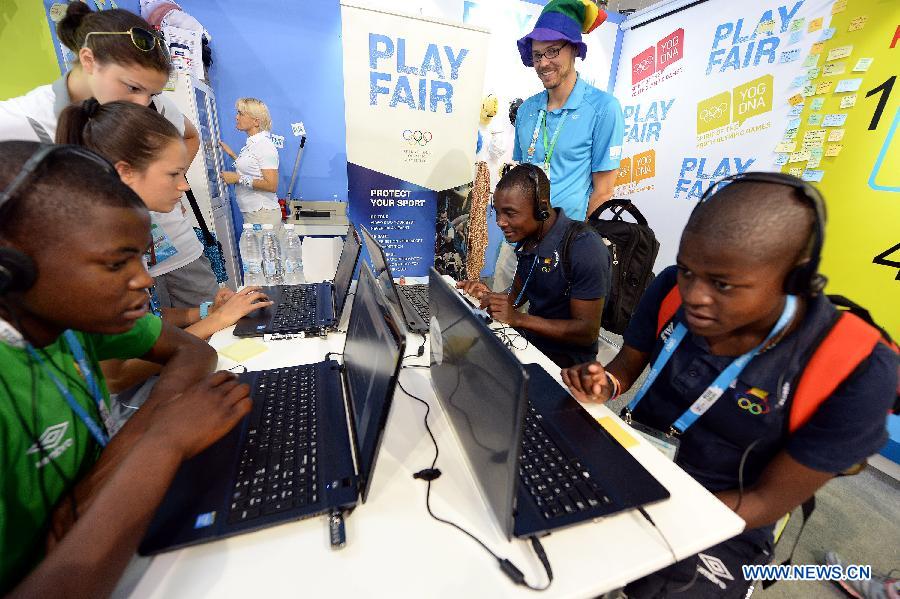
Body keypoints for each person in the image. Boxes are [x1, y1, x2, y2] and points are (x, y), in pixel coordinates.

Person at [560, 174, 898, 598]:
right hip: (635, 462)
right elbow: (626, 367)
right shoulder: (669, 288)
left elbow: (767, 500)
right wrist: (604, 384)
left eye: (722, 285)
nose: (695, 296)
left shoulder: (856, 369)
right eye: (687, 270)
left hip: (729, 516)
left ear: (793, 281)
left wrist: (645, 513)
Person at [0, 141, 252, 596]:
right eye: (117, 263)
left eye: (141, 256)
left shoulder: (67, 318)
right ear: (10, 268)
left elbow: (194, 353)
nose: (142, 279)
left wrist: (122, 455)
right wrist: (162, 444)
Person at [0, 2, 218, 310]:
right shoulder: (18, 121)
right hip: (97, 279)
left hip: (176, 253)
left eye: (151, 94)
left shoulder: (155, 106)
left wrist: (172, 180)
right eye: (132, 87)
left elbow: (191, 135)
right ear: (89, 60)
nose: (142, 105)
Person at [55, 99, 272, 394]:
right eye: (174, 174)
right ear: (125, 173)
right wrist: (217, 320)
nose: (184, 186)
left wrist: (208, 311)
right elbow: (116, 377)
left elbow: (149, 319)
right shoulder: (95, 252)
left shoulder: (123, 232)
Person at [492, 0, 624, 292]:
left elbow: (603, 191)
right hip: (515, 243)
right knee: (499, 324)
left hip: (563, 247)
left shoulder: (603, 109)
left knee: (545, 330)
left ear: (574, 49)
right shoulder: (527, 110)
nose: (543, 62)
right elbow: (518, 176)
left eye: (553, 51)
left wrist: (579, 248)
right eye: (538, 54)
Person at [458, 164, 610, 367]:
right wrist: (487, 296)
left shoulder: (584, 247)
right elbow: (516, 297)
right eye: (498, 213)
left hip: (566, 366)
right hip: (530, 344)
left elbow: (587, 333)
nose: (500, 222)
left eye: (510, 214)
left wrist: (519, 320)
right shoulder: (530, 238)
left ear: (541, 209)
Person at [219, 98, 281, 227]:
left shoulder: (264, 145)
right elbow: (253, 168)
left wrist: (237, 178)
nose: (236, 117)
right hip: (254, 213)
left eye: (241, 114)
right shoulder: (253, 144)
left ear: (256, 121)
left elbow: (272, 185)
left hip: (263, 215)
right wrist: (232, 154)